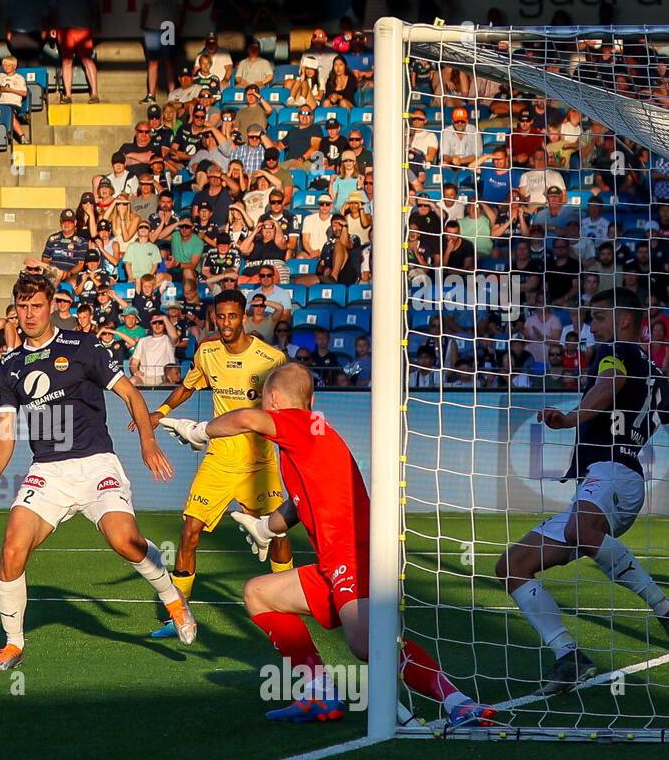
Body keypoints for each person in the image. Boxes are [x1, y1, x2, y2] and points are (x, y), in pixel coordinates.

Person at [159, 363, 496, 726]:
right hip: (334, 562)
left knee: (368, 644)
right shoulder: (309, 437)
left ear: (272, 399)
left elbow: (246, 420)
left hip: (353, 555)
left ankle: (459, 703)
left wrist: (199, 430)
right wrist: (266, 527)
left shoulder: (298, 425)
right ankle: (320, 695)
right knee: (259, 593)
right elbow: (299, 503)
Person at [0, 273, 195, 669]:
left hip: (95, 464)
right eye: (22, 307)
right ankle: (13, 643)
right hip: (48, 471)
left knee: (124, 540)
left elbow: (130, 393)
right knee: (12, 548)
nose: (28, 314)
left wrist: (147, 441)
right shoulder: (9, 366)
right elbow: (5, 432)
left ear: (51, 306)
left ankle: (173, 601)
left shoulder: (83, 346)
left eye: (36, 305)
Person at [495, 289, 669, 693]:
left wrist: (573, 417)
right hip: (607, 482)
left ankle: (662, 606)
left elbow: (610, 383)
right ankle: (569, 656)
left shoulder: (615, 350)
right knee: (512, 565)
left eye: (599, 317)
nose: (593, 325)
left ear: (624, 320)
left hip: (613, 472)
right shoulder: (658, 378)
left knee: (579, 532)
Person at [136, 290, 292, 635]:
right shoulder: (207, 352)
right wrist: (159, 412)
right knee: (189, 532)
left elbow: (288, 408)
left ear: (245, 317)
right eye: (220, 317)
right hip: (219, 458)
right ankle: (176, 616)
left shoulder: (271, 358)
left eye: (232, 316)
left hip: (259, 463)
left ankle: (288, 603)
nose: (225, 323)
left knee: (279, 534)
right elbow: (189, 386)